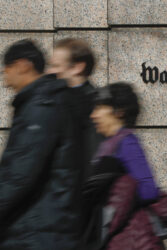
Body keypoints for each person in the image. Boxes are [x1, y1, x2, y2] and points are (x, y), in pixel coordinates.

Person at [0, 39, 82, 249]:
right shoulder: (39, 103)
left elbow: (20, 174)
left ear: (23, 65)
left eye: (6, 69)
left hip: (37, 234)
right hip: (37, 230)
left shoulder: (41, 106)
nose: (4, 78)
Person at [88, 82, 167, 249]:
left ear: (119, 112)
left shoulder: (127, 142)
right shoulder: (109, 144)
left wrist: (116, 209)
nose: (93, 115)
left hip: (131, 239)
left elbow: (148, 188)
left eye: (99, 108)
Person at [47, 38, 101, 181]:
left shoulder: (94, 105)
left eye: (55, 66)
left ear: (77, 67)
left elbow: (92, 159)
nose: (49, 71)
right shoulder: (58, 100)